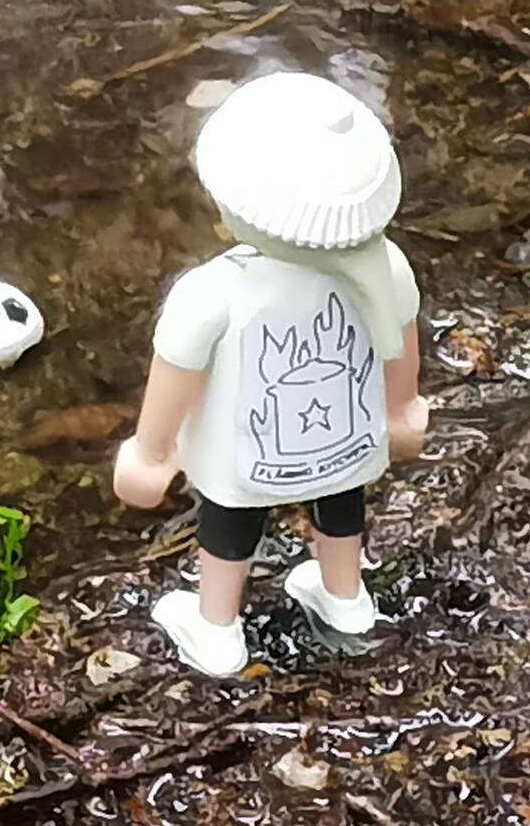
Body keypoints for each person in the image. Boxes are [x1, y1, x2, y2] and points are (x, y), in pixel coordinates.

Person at [113, 71, 428, 676]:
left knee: (229, 524)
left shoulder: (211, 292)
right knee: (342, 504)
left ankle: (217, 630)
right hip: (346, 440)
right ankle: (345, 599)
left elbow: (174, 380)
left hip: (245, 457)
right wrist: (401, 412)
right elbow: (401, 351)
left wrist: (150, 457)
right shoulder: (388, 267)